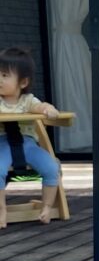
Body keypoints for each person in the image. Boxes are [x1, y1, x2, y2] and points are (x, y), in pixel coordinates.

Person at [0, 47, 62, 229]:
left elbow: (40, 107)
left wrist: (49, 110)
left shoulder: (28, 100)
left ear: (23, 82)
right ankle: (1, 210)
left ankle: (47, 207)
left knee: (52, 167)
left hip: (28, 145)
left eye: (4, 75)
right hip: (2, 144)